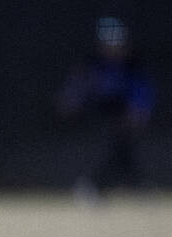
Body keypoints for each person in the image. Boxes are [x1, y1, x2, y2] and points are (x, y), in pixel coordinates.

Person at [56, 16, 156, 197]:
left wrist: (139, 111)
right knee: (112, 147)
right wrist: (71, 101)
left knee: (120, 147)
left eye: (118, 44)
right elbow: (77, 89)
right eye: (109, 44)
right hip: (97, 115)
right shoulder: (92, 64)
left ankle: (116, 185)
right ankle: (132, 185)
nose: (114, 48)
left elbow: (141, 92)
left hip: (122, 114)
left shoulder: (132, 66)